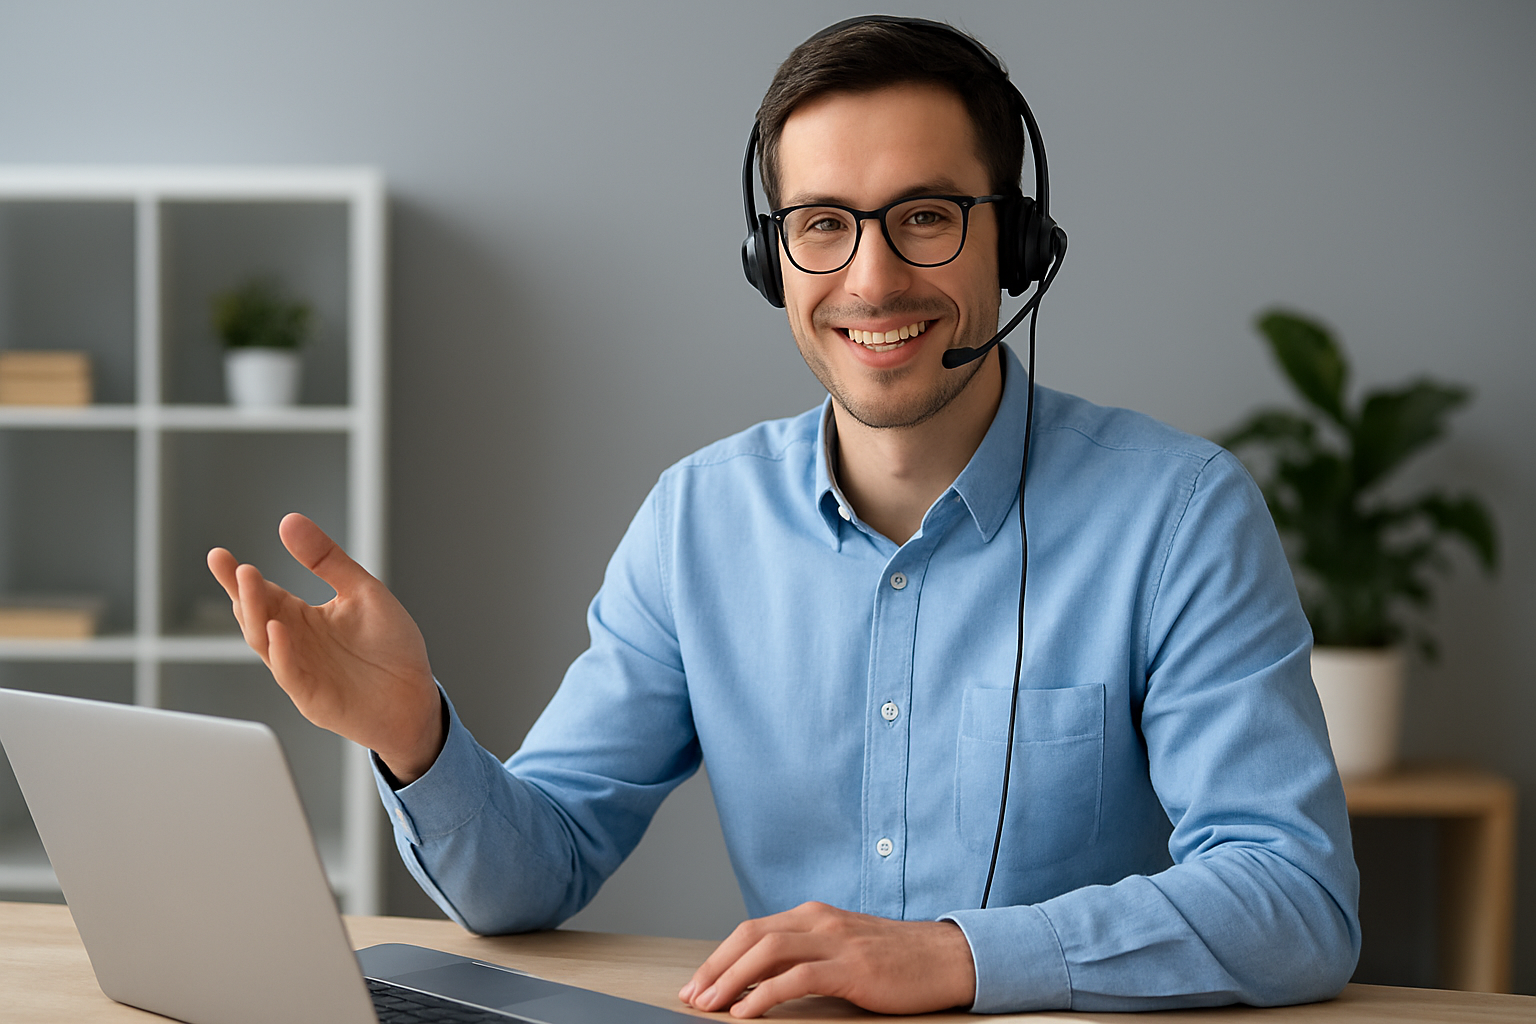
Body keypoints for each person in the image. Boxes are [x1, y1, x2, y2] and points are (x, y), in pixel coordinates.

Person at [208, 16, 1360, 1017]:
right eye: (821, 224)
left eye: (924, 216)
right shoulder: (696, 521)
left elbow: (1295, 895)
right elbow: (532, 875)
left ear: (1013, 243)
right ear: (773, 257)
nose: (869, 280)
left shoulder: (1179, 516)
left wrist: (954, 957)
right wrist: (415, 740)